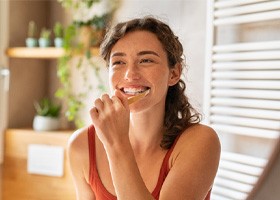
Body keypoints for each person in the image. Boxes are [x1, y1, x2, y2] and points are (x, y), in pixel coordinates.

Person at [68, 16, 221, 200]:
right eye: (118, 62)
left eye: (146, 60)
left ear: (174, 73)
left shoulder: (200, 142)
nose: (130, 74)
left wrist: (116, 144)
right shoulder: (82, 145)